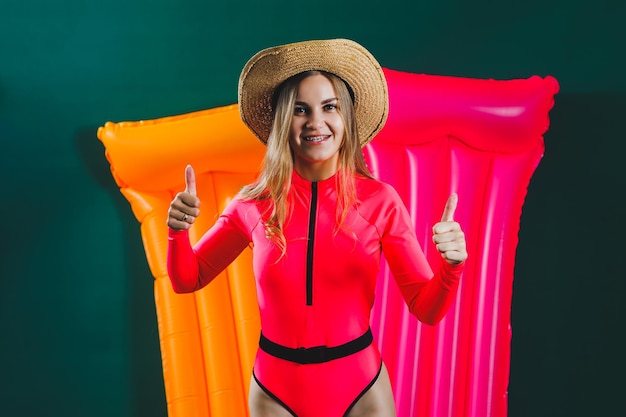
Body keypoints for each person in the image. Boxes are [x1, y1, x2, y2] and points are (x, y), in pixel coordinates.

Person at [166, 39, 467, 417]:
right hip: (275, 392)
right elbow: (186, 279)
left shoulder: (380, 201)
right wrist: (177, 232)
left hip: (362, 389)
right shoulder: (250, 206)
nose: (315, 122)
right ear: (281, 122)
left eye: (330, 107)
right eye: (299, 110)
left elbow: (427, 309)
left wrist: (451, 266)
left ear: (347, 119)